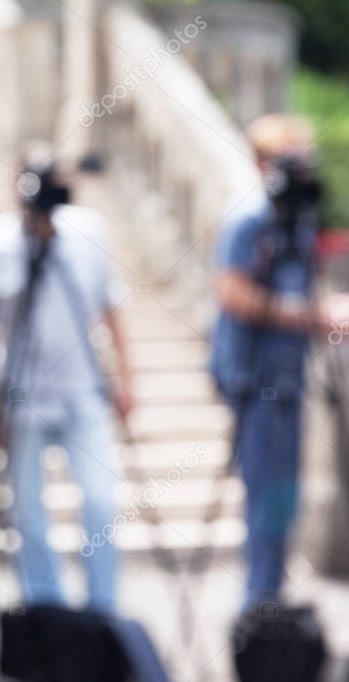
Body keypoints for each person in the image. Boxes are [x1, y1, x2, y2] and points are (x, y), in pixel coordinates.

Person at [0, 146, 133, 612]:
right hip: (22, 396)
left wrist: (125, 379)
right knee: (29, 512)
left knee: (100, 501)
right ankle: (44, 611)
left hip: (84, 390)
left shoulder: (88, 232)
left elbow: (111, 309)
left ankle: (103, 612)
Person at [209, 114, 327, 610]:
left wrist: (318, 317)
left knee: (285, 494)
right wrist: (303, 316)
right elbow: (231, 292)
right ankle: (257, 607)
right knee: (263, 494)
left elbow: (306, 288)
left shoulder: (299, 220)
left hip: (290, 376)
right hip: (251, 378)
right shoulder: (248, 219)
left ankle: (272, 597)